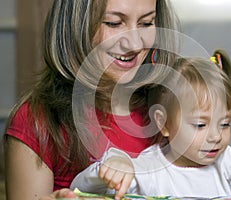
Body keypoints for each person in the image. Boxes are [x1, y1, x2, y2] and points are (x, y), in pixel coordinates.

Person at [3, 0, 179, 199]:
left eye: (147, 23)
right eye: (114, 23)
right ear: (75, 26)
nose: (136, 44)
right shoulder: (37, 122)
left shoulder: (169, 108)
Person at [70, 50, 231, 199]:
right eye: (200, 125)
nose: (216, 137)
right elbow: (77, 188)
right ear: (163, 123)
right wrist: (110, 167)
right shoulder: (149, 170)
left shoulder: (226, 162)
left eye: (225, 124)